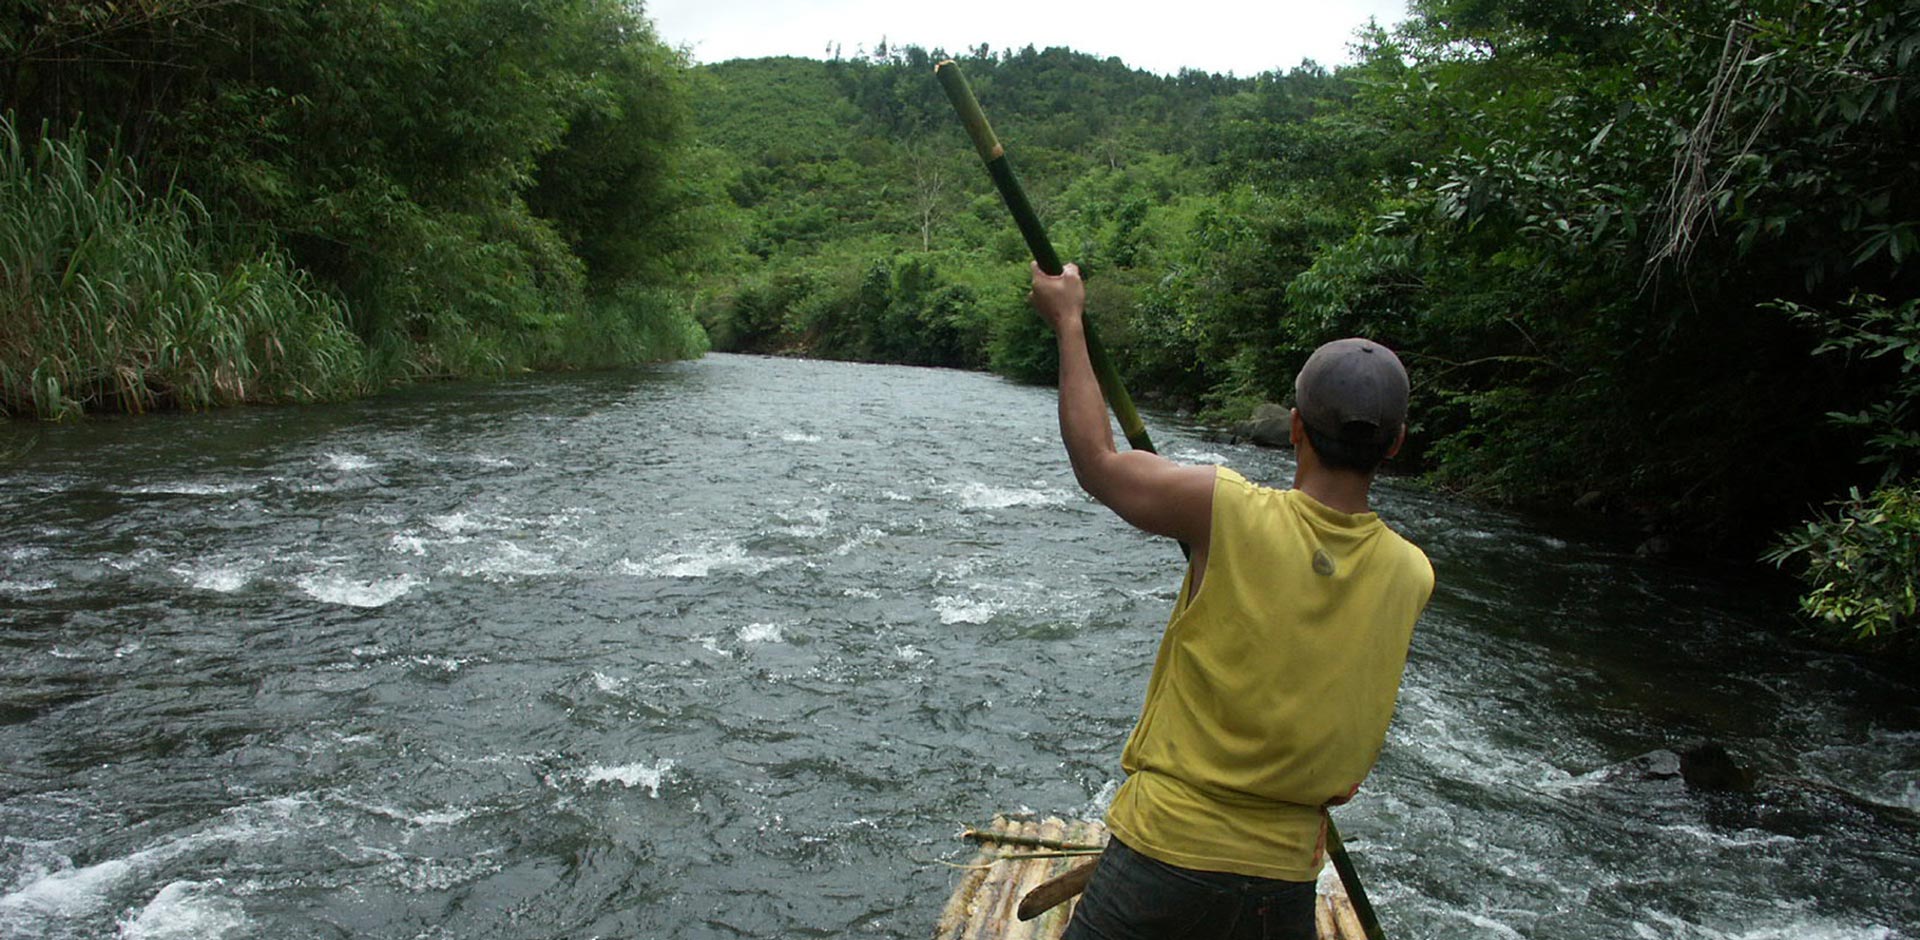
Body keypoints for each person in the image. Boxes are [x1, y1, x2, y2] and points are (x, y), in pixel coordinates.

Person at [1027, 262, 1434, 940]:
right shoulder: (1413, 573)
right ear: (1393, 444)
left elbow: (1096, 460)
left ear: (1296, 428)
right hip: (1283, 878)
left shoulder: (1225, 510)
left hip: (1165, 851)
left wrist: (1069, 324)